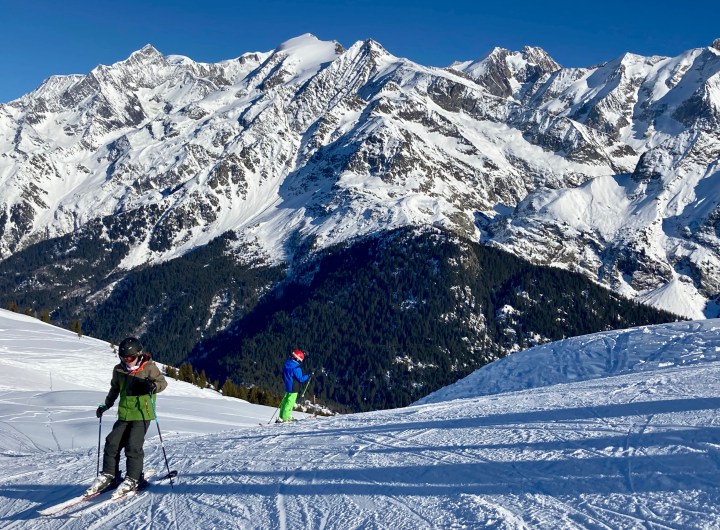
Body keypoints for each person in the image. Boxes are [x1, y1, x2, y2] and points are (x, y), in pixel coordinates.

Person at [86, 336, 168, 497]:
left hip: (142, 413)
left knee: (133, 446)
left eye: (130, 358)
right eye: (123, 357)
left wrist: (152, 386)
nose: (126, 360)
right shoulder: (119, 370)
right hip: (124, 412)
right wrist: (106, 405)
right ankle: (110, 475)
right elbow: (114, 389)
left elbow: (162, 383)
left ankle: (134, 479)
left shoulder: (149, 367)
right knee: (112, 443)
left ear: (138, 354)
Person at [277, 349, 311, 423]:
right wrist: (308, 375)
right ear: (298, 359)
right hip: (293, 387)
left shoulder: (287, 363)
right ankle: (285, 418)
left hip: (287, 385)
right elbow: (301, 379)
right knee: (290, 403)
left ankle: (282, 416)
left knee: (285, 401)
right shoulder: (296, 368)